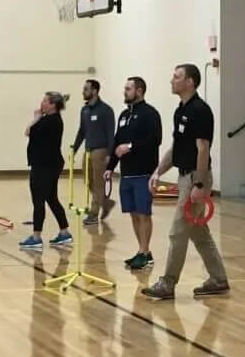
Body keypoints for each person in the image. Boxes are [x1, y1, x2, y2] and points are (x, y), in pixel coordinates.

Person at [142, 64, 229, 299]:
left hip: (195, 178)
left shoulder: (201, 110)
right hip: (184, 176)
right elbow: (177, 147)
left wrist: (199, 185)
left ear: (190, 82)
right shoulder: (180, 110)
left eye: (177, 77)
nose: (172, 80)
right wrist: (158, 171)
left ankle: (168, 284)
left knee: (177, 232)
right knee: (199, 233)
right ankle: (219, 279)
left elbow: (203, 148)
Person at [104, 76, 162, 271]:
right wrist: (110, 167)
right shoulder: (123, 116)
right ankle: (142, 251)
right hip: (127, 174)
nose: (125, 92)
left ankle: (145, 253)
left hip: (144, 172)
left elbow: (155, 140)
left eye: (128, 89)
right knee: (134, 214)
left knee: (144, 214)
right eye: (124, 88)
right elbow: (116, 142)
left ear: (139, 91)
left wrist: (130, 146)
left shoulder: (150, 114)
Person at [19, 91, 73, 250]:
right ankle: (64, 233)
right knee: (51, 198)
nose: (41, 104)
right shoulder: (49, 120)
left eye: (44, 101)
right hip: (47, 164)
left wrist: (35, 118)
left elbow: (28, 131)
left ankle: (36, 237)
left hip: (45, 166)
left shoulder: (50, 121)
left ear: (52, 105)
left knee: (38, 200)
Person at [71, 78, 116, 225]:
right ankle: (106, 203)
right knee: (88, 182)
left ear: (94, 91)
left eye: (86, 89)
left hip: (101, 151)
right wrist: (75, 149)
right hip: (88, 151)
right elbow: (81, 131)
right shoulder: (84, 110)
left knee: (98, 184)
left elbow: (111, 133)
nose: (83, 92)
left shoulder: (106, 110)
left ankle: (93, 213)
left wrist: (110, 154)